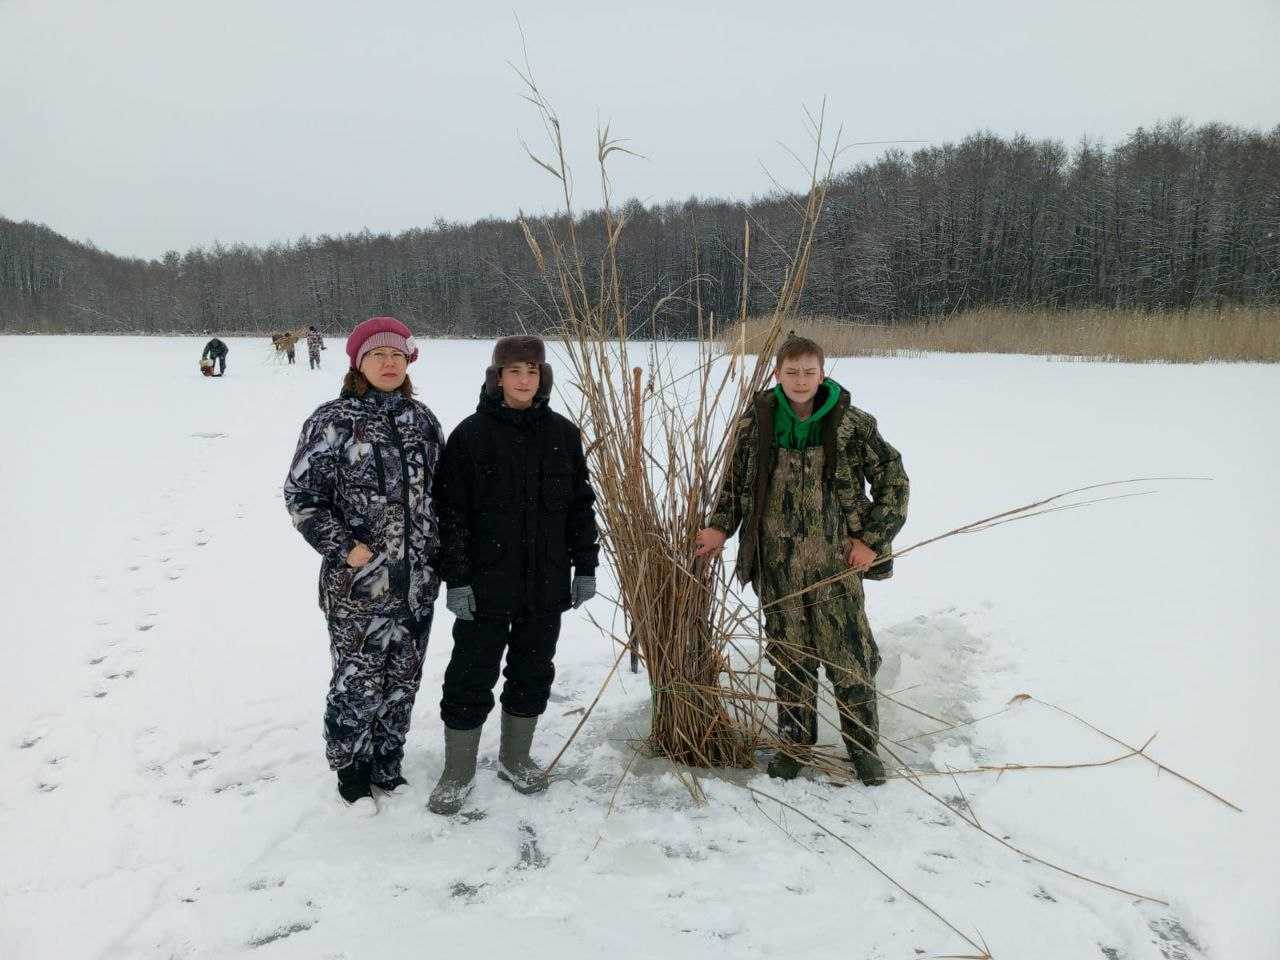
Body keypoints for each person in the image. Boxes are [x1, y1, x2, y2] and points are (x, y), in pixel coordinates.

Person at [695, 335, 909, 785]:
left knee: (848, 655)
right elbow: (735, 485)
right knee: (789, 657)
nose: (800, 380)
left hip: (837, 563)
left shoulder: (852, 423)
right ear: (777, 375)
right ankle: (794, 747)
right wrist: (719, 526)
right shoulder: (756, 424)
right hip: (777, 564)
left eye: (809, 372)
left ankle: (864, 749)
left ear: (822, 374)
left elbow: (893, 481)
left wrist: (870, 540)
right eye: (791, 372)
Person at [427, 335, 599, 815]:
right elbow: (451, 514)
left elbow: (580, 506)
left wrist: (585, 565)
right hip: (486, 584)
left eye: (532, 371)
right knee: (470, 673)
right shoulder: (471, 435)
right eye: (515, 371)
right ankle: (457, 769)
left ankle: (515, 756)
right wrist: (456, 579)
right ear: (497, 377)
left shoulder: (563, 433)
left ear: (542, 378)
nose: (524, 380)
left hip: (545, 583)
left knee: (533, 669)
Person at [283, 316, 444, 814]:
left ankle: (387, 763)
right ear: (358, 362)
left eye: (397, 354)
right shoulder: (332, 421)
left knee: (404, 677)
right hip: (358, 585)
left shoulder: (423, 421)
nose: (389, 363)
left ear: (408, 361)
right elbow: (302, 497)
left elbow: (443, 497)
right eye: (378, 355)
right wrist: (348, 549)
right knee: (358, 678)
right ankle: (351, 772)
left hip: (417, 584)